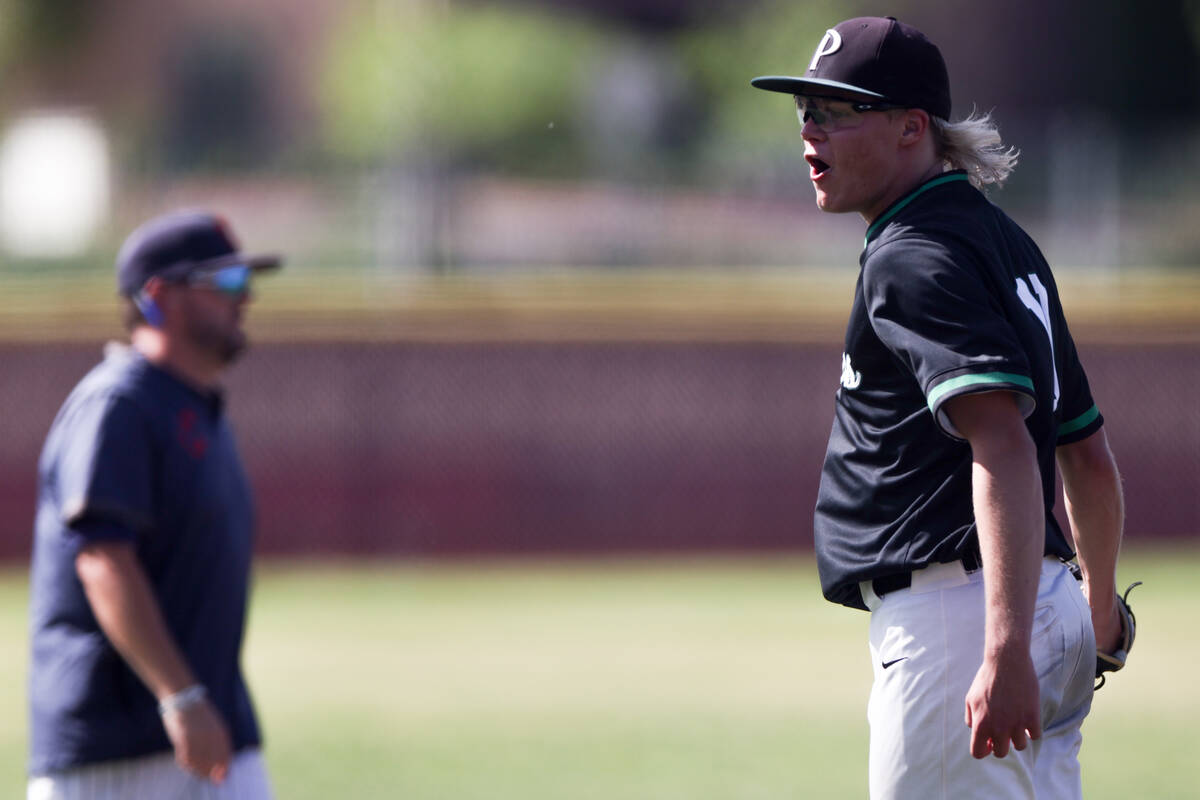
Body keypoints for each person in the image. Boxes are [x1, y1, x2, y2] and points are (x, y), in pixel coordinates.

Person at [752, 16, 1126, 799]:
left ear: (910, 129)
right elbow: (1085, 455)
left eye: (837, 110)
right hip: (1045, 607)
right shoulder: (1006, 242)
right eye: (804, 111)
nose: (811, 130)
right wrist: (1094, 614)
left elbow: (1005, 443)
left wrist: (1004, 647)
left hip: (964, 619)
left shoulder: (912, 255)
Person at [28, 211, 281, 799]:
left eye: (246, 283)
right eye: (225, 284)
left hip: (213, 730)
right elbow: (103, 561)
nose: (245, 300)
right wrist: (180, 696)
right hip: (122, 743)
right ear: (158, 297)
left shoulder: (196, 409)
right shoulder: (120, 405)